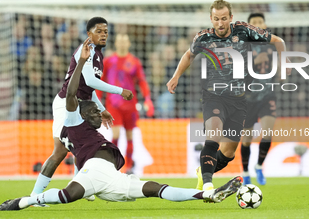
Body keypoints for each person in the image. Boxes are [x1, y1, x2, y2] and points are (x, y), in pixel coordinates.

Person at [0, 41, 243, 210]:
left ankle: (207, 194)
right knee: (67, 195)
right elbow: (72, 93)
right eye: (94, 110)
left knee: (154, 189)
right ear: (80, 114)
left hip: (110, 177)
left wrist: (100, 108)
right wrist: (81, 63)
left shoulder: (88, 129)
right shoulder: (74, 121)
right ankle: (27, 201)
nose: (99, 111)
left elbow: (88, 113)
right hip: (95, 170)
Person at [166, 0, 291, 192]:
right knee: (213, 136)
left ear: (231, 18)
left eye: (224, 19)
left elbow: (278, 42)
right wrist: (176, 76)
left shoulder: (244, 31)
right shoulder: (203, 37)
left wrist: (284, 63)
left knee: (228, 152)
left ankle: (204, 171)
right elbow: (189, 55)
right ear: (211, 19)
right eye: (216, 19)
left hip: (239, 100)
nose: (220, 23)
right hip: (213, 96)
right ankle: (207, 186)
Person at [30, 17, 133, 202]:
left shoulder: (99, 55)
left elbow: (88, 88)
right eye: (99, 31)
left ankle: (81, 184)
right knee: (60, 151)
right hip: (66, 104)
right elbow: (91, 81)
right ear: (89, 33)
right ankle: (35, 195)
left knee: (84, 144)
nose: (104, 35)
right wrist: (120, 91)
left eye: (106, 32)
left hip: (81, 104)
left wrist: (102, 109)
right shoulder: (85, 51)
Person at [97, 34, 154, 173]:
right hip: (113, 104)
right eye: (120, 41)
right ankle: (114, 163)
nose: (122, 43)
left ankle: (128, 166)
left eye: (124, 41)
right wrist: (97, 103)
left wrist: (147, 98)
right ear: (116, 43)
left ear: (128, 43)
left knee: (130, 136)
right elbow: (100, 83)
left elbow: (142, 81)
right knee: (115, 134)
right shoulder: (109, 61)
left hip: (130, 105)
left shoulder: (134, 62)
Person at [241, 13, 277, 186]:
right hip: (248, 98)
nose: (257, 24)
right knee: (246, 139)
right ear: (248, 26)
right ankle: (245, 172)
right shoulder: (243, 46)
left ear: (265, 24)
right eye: (253, 22)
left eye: (259, 22)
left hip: (267, 95)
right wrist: (254, 62)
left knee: (268, 132)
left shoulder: (274, 44)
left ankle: (259, 166)